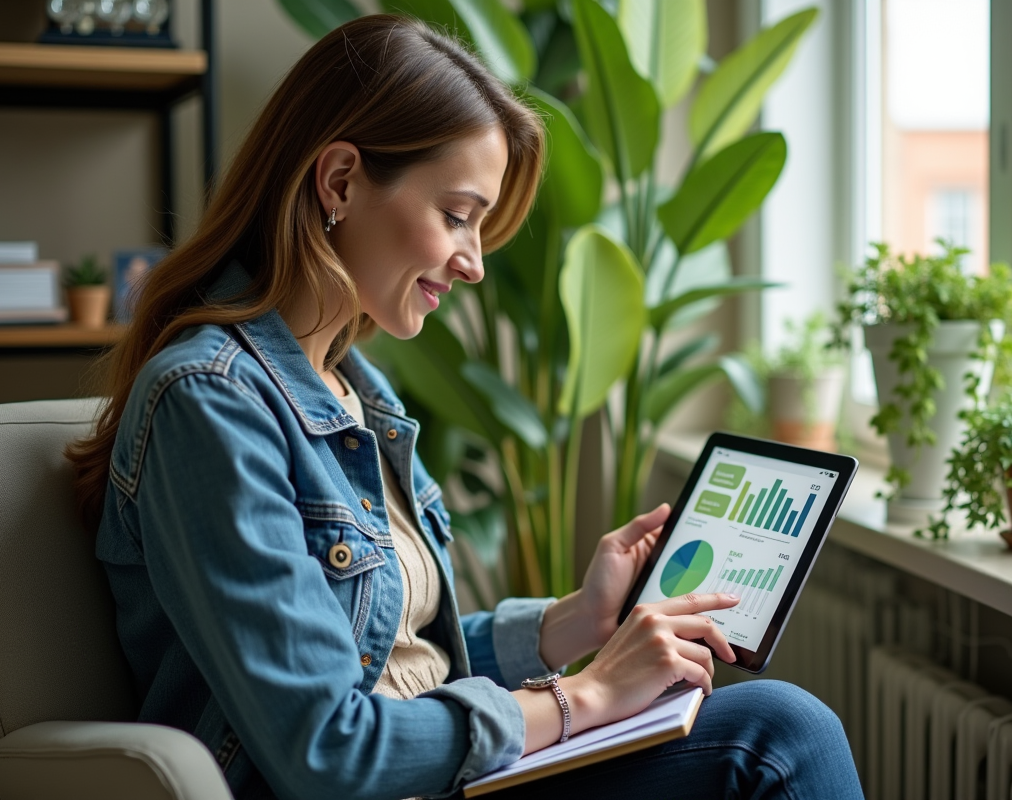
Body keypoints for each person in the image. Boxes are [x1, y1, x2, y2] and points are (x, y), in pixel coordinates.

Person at [67, 14, 864, 800]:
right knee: (777, 734)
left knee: (773, 727)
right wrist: (582, 697)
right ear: (339, 181)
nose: (475, 262)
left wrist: (575, 620)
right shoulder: (210, 403)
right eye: (457, 215)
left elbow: (405, 664)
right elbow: (326, 748)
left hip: (438, 779)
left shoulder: (359, 396)